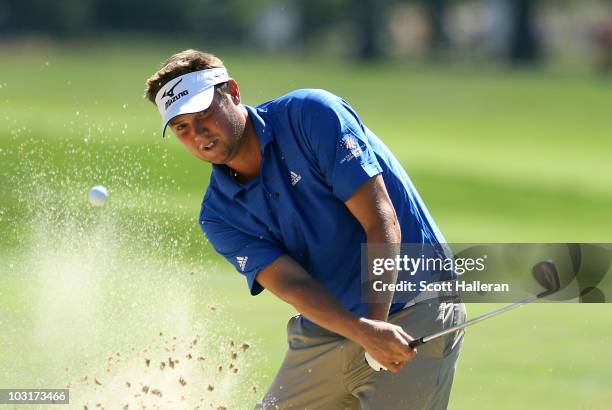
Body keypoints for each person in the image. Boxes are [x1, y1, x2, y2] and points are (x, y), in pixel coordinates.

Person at [145, 49, 466, 409]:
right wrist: (363, 331)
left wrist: (375, 326)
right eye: (181, 127)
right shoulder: (219, 214)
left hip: (412, 304)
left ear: (233, 92)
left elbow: (381, 219)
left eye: (204, 113)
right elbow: (293, 285)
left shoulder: (311, 115)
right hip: (331, 328)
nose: (199, 133)